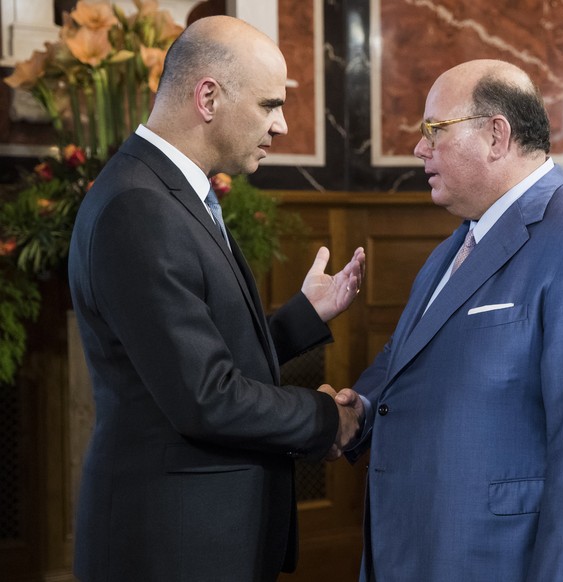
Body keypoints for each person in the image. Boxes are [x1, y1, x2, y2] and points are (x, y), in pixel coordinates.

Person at [334, 59, 563, 581]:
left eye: (433, 131)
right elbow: (404, 359)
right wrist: (360, 408)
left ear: (496, 135)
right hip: (420, 548)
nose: (420, 148)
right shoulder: (453, 248)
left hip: (500, 560)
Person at [67, 16, 365, 582]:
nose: (280, 125)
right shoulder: (141, 207)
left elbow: (198, 353)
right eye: (270, 105)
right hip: (172, 544)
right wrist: (330, 418)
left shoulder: (166, 190)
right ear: (208, 96)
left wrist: (304, 317)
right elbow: (205, 395)